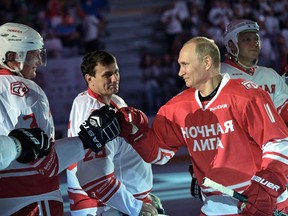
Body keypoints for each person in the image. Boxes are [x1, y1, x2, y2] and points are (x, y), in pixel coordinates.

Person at [115, 37, 288, 215]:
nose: (180, 72)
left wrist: (267, 185)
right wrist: (135, 132)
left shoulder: (248, 95)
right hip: (215, 207)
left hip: (262, 204)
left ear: (206, 62)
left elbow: (278, 142)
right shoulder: (176, 107)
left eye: (185, 64)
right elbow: (159, 154)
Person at [0, 22, 119, 215]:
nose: (38, 61)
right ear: (12, 57)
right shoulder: (26, 90)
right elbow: (44, 164)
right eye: (33, 54)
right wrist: (87, 141)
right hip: (32, 201)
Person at [66, 50, 163, 216]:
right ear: (89, 79)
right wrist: (135, 206)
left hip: (118, 201)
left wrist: (141, 194)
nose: (114, 79)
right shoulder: (96, 115)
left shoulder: (101, 100)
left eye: (116, 72)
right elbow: (95, 177)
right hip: (107, 207)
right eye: (107, 74)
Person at [221, 19, 288, 125]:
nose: (254, 43)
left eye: (256, 38)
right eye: (247, 39)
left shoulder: (270, 74)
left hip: (271, 139)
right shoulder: (217, 75)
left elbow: (283, 111)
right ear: (231, 45)